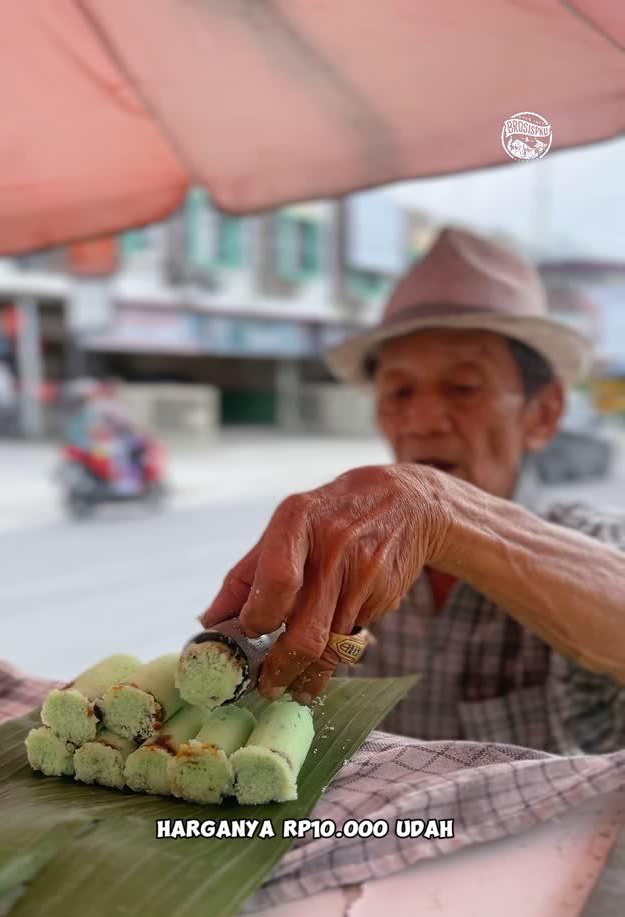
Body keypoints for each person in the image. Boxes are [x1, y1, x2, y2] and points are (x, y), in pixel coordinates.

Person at [200, 227, 625, 755]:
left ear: (544, 413)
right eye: (399, 391)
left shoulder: (590, 540)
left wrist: (440, 511)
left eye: (464, 387)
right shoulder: (342, 551)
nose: (422, 421)